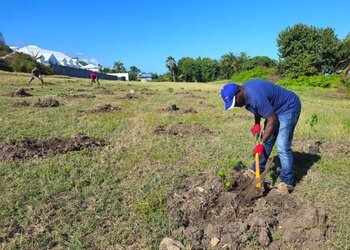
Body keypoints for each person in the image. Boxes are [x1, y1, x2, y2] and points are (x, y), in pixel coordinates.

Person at [221, 79, 301, 193]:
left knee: (282, 146)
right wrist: (257, 123)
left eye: (235, 102)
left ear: (239, 92)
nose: (236, 105)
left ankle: (287, 182)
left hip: (288, 107)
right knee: (267, 138)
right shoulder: (245, 95)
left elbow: (272, 119)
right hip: (273, 110)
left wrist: (261, 143)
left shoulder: (254, 96)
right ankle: (256, 170)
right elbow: (258, 109)